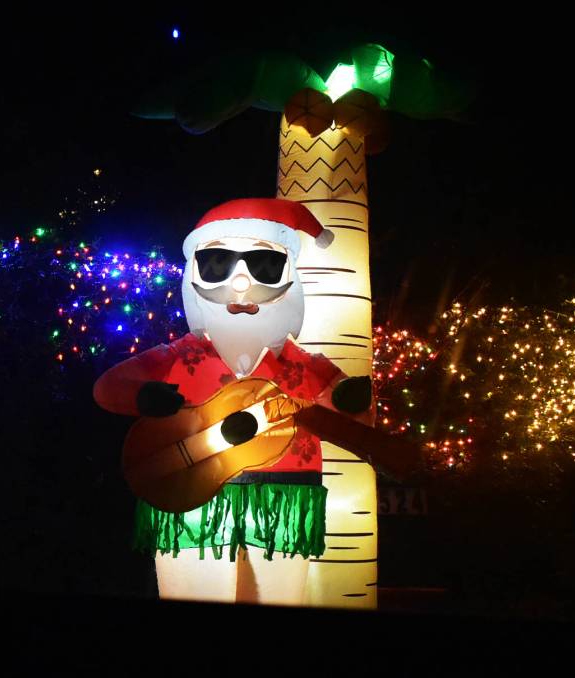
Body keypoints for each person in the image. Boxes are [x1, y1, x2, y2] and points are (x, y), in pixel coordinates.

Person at [94, 198, 372, 604]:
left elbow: (350, 409)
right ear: (195, 273)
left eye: (263, 265)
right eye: (218, 264)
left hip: (284, 500)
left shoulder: (303, 364)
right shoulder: (179, 355)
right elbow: (109, 387)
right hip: (189, 497)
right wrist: (141, 395)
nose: (241, 282)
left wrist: (348, 400)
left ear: (289, 276)